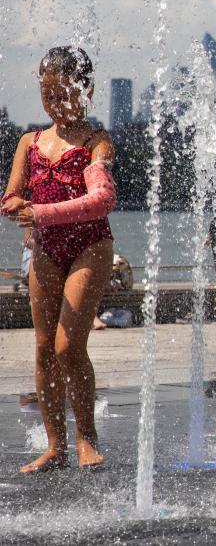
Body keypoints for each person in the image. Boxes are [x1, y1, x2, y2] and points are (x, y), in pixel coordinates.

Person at [1, 47, 116, 472]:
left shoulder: (96, 142)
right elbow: (11, 195)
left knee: (69, 346)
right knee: (44, 347)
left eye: (63, 93)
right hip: (46, 249)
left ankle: (86, 436)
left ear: (86, 91)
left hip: (90, 246)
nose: (54, 103)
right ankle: (55, 446)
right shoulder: (29, 143)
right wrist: (15, 205)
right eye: (46, 94)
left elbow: (102, 199)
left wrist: (40, 213)